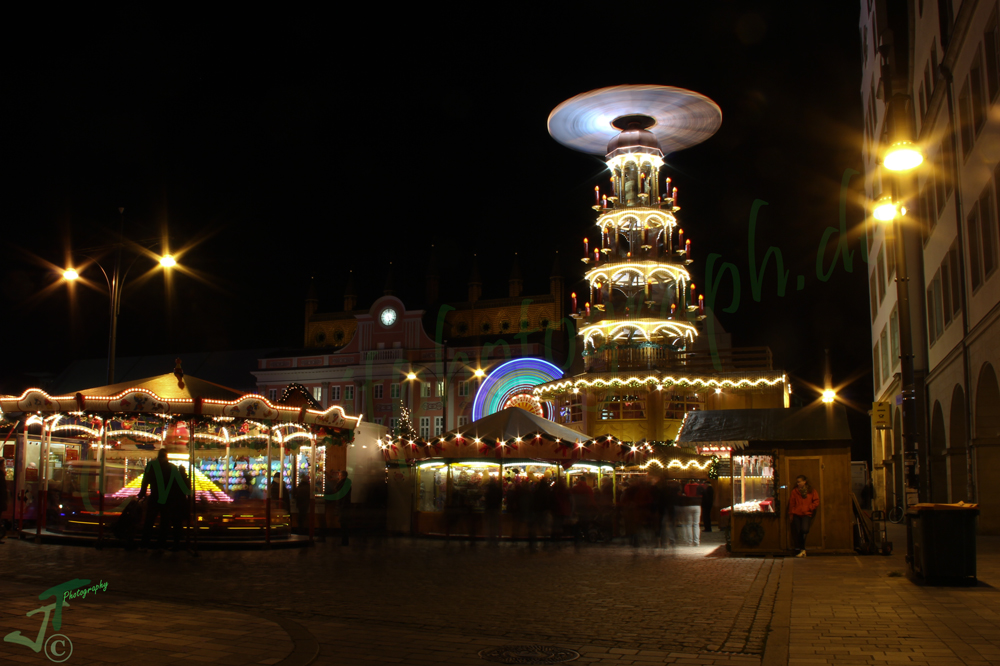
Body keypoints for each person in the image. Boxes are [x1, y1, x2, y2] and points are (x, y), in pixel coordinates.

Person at [138, 448, 187, 550]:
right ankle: (161, 544)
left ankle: (145, 543)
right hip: (167, 499)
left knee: (149, 521)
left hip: (155, 496)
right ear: (166, 456)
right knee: (164, 522)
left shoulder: (151, 465)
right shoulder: (172, 467)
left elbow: (145, 480)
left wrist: (142, 493)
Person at [789, 474, 820, 557]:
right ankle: (802, 549)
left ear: (804, 481)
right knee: (798, 532)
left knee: (804, 530)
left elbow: (816, 501)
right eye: (797, 482)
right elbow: (792, 503)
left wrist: (810, 508)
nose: (798, 483)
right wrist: (791, 514)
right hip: (797, 513)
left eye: (799, 482)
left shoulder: (811, 491)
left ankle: (801, 549)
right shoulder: (795, 491)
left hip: (806, 514)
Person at [324, 470, 352, 545]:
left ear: (342, 476)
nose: (338, 477)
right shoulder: (347, 483)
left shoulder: (341, 484)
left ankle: (344, 541)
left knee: (343, 524)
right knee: (344, 524)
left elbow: (335, 491)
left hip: (343, 506)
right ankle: (345, 541)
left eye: (339, 475)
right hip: (345, 505)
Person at [484, 474, 503, 545]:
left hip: (489, 509)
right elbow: (500, 499)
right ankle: (495, 540)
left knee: (489, 525)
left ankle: (489, 540)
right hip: (495, 509)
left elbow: (486, 499)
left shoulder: (488, 490)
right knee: (495, 525)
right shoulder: (498, 489)